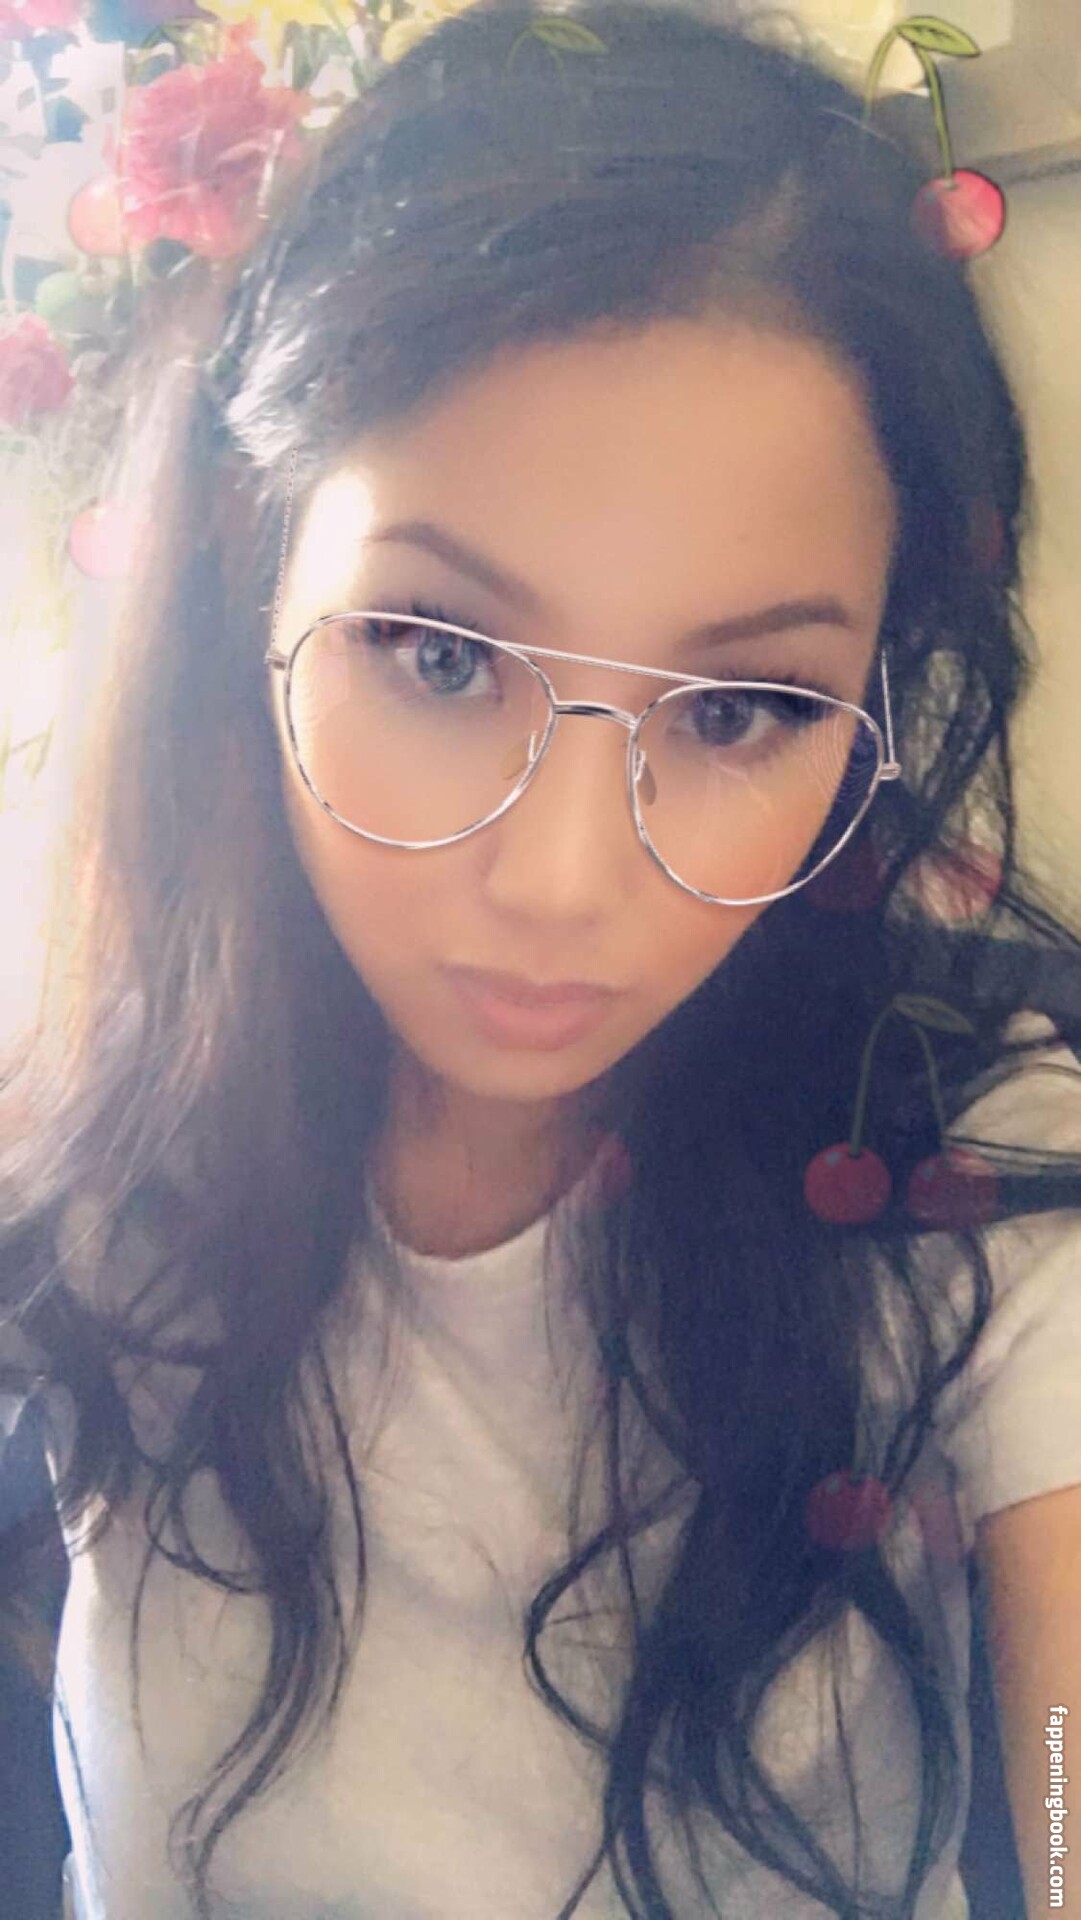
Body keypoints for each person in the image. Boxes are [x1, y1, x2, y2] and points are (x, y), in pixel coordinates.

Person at [2, 0, 1081, 1913]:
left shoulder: (967, 1180)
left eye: (741, 708)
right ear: (254, 570)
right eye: (439, 655)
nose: (563, 883)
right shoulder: (100, 1117)